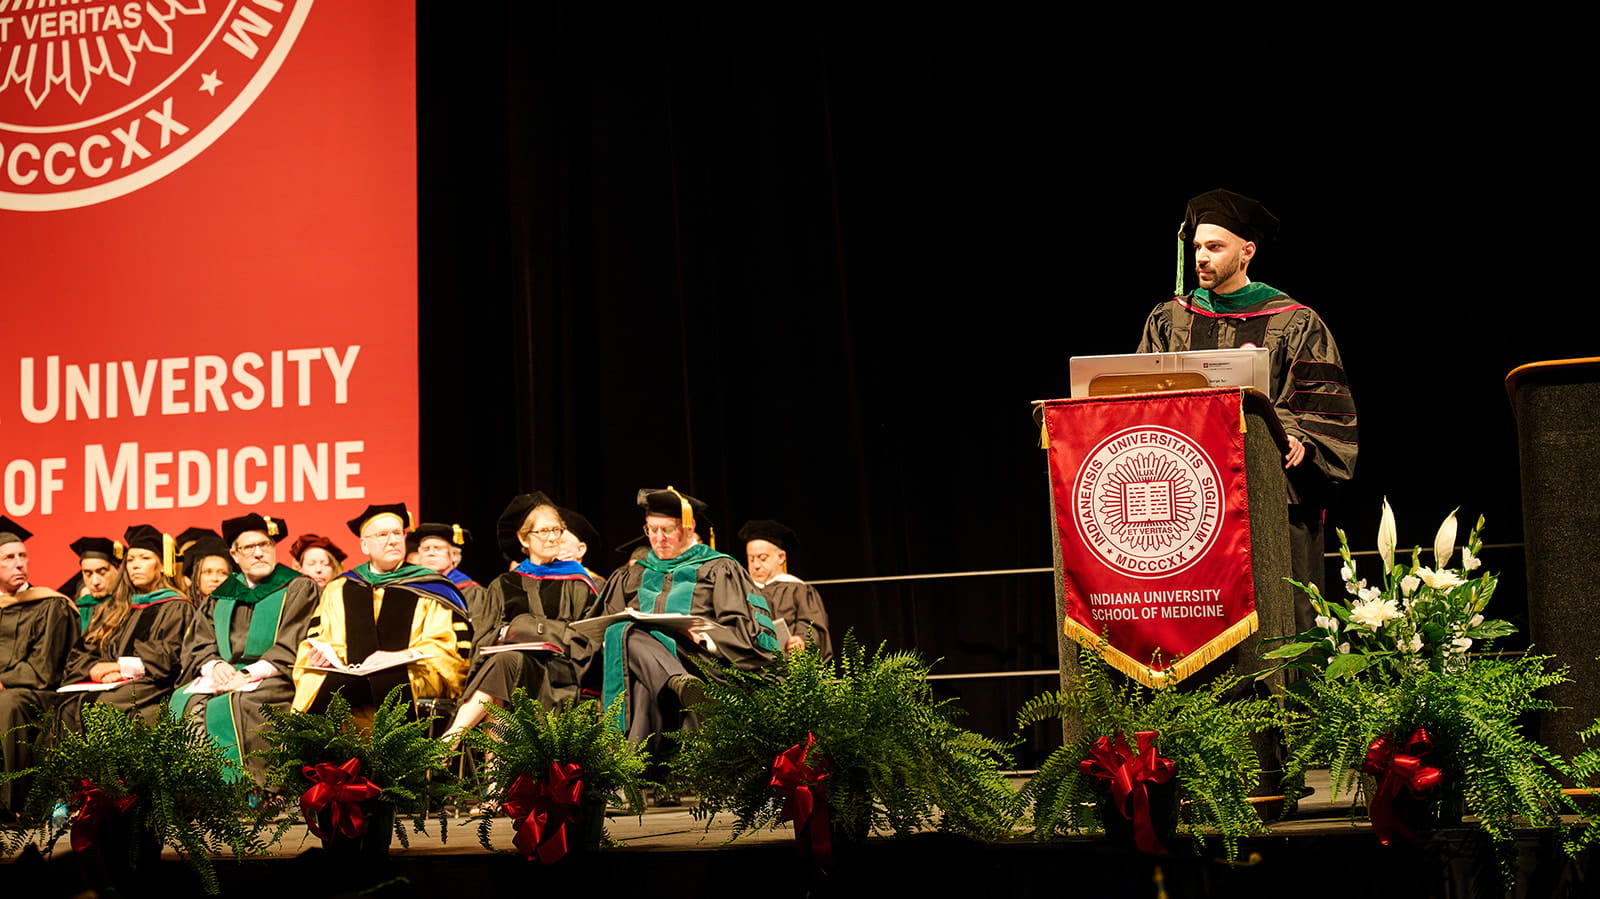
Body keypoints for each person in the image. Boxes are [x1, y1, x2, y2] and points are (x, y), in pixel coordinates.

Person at [1137, 189, 1358, 619]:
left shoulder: (1293, 320)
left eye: (1214, 247)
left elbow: (1325, 408)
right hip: (1188, 498)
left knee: (1285, 609)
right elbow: (1143, 399)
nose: (1200, 257)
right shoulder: (1170, 319)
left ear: (1246, 252)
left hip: (1272, 490)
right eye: (1197, 247)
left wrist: (1297, 435)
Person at [594, 488, 780, 766]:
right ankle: (674, 683)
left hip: (700, 661)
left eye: (667, 529)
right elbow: (599, 626)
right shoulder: (633, 573)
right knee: (621, 632)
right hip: (647, 663)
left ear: (688, 526)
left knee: (633, 648)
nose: (658, 538)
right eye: (651, 529)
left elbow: (749, 634)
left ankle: (631, 770)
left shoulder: (719, 569)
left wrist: (704, 635)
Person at [291, 503, 472, 720]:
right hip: (349, 672)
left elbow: (448, 646)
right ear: (364, 545)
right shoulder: (339, 588)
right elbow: (321, 638)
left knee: (386, 683)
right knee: (323, 686)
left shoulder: (432, 586)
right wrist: (323, 656)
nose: (393, 540)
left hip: (413, 672)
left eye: (398, 533)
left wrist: (401, 655)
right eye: (383, 534)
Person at [443, 494, 601, 740]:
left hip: (559, 673)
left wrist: (523, 627)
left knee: (506, 664)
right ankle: (493, 776)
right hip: (511, 671)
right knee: (507, 663)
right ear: (523, 539)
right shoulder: (503, 584)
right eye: (543, 531)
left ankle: (453, 737)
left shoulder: (579, 583)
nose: (551, 537)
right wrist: (504, 634)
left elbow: (587, 636)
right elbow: (483, 638)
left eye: (556, 530)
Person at [176, 513, 320, 782]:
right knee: (184, 699)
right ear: (234, 554)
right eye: (249, 548)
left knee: (239, 702)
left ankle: (248, 790)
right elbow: (198, 640)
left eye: (264, 545)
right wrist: (215, 665)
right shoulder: (222, 593)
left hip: (274, 678)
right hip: (224, 675)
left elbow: (295, 640)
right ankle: (196, 791)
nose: (258, 553)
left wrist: (247, 674)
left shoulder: (298, 587)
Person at [56, 525, 197, 730]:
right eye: (130, 560)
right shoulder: (114, 608)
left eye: (144, 558)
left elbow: (171, 658)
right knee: (66, 706)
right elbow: (81, 653)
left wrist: (121, 668)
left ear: (162, 565)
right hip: (109, 684)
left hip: (152, 687)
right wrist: (95, 670)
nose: (135, 566)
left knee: (104, 706)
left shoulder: (177, 607)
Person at [0, 518, 75, 821]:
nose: (19, 564)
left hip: (40, 697)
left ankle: (8, 807)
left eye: (22, 556)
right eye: (8, 558)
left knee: (5, 704)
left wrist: (4, 682)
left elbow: (44, 670)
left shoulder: (49, 605)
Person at [739, 519, 833, 661]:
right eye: (751, 559)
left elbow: (811, 626)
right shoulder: (742, 592)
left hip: (791, 669)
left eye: (762, 558)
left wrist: (802, 641)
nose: (756, 565)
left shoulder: (798, 589)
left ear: (781, 557)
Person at [407, 522, 491, 644]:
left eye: (438, 548)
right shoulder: (411, 588)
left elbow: (478, 632)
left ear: (453, 556)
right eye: (425, 549)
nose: (431, 553)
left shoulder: (470, 591)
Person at [65, 536, 123, 634]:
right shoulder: (74, 611)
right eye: (88, 574)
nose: (95, 582)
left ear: (117, 571)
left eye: (102, 572)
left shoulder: (130, 607)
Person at [182, 534, 235, 603]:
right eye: (207, 572)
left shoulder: (240, 610)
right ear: (196, 578)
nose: (215, 579)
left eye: (222, 573)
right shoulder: (186, 608)